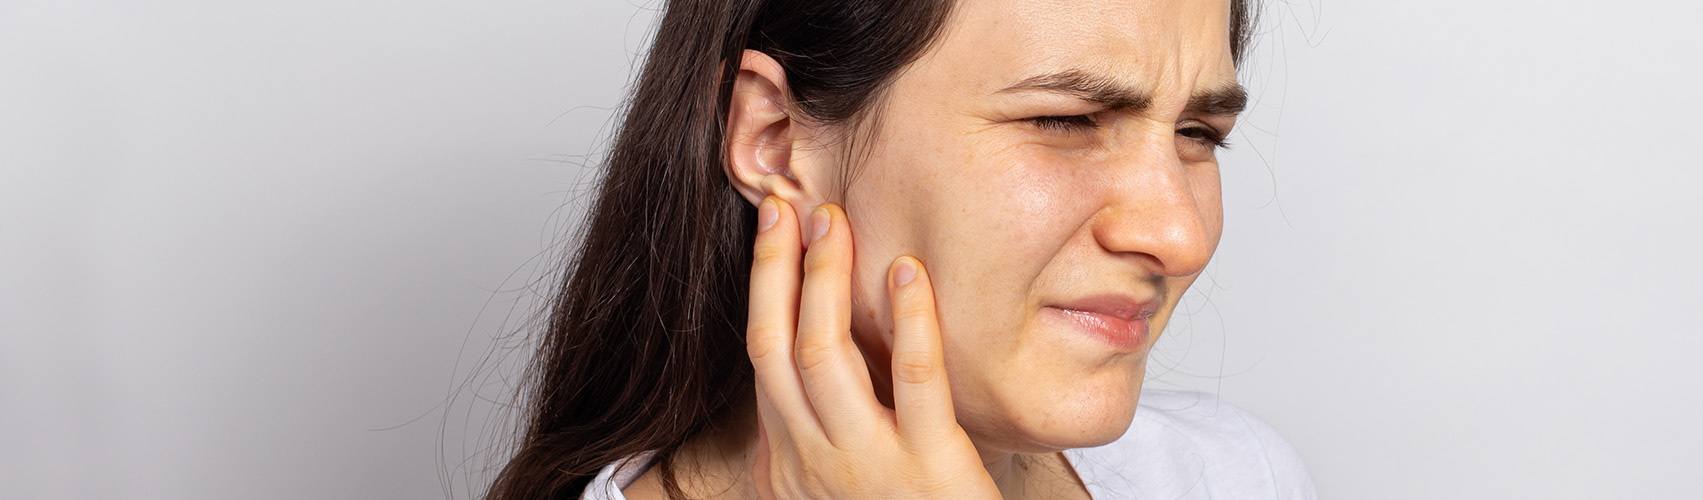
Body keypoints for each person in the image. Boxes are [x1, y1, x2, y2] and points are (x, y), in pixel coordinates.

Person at [485, 0, 1316, 498]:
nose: (1176, 233)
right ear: (773, 141)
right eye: (1063, 120)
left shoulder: (1230, 475)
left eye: (1198, 133)